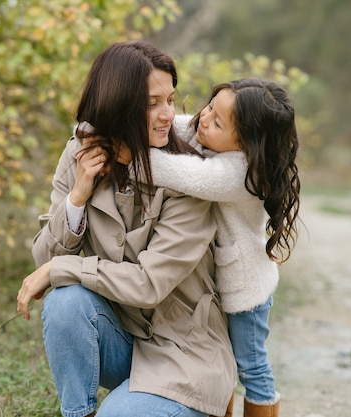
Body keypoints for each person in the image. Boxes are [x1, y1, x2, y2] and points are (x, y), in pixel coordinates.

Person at [16, 40, 236, 417]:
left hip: (182, 355)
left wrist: (60, 269)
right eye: (153, 103)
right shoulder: (80, 154)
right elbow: (43, 259)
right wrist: (77, 198)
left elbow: (149, 284)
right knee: (65, 302)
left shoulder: (189, 175)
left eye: (170, 99)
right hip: (121, 339)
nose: (168, 114)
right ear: (118, 105)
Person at [139, 78, 301, 417]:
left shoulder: (242, 173)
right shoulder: (209, 133)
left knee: (250, 366)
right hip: (215, 285)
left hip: (244, 293)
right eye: (210, 106)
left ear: (245, 143)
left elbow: (177, 172)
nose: (204, 119)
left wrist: (129, 156)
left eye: (217, 122)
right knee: (218, 359)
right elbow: (172, 126)